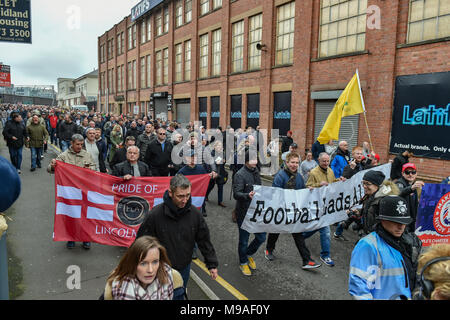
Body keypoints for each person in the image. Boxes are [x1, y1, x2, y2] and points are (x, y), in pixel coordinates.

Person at [136, 174, 218, 288]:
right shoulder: (155, 215)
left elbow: (204, 240)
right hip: (160, 270)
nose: (185, 200)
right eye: (180, 196)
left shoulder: (195, 215)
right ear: (170, 193)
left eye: (188, 195)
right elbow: (141, 243)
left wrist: (211, 264)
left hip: (184, 268)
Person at [348, 195, 422, 300]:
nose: (401, 226)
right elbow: (359, 287)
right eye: (395, 222)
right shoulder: (368, 245)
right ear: (382, 220)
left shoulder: (408, 243)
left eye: (404, 222)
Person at [265, 152, 321, 269]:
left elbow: (301, 191)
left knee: (298, 234)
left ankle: (307, 260)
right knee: (275, 231)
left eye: (296, 162)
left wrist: (308, 190)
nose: (294, 165)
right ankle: (269, 249)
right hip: (281, 210)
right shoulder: (280, 176)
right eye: (292, 162)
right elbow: (276, 194)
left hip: (294, 211)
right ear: (287, 162)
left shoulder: (300, 177)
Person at [48, 134, 96, 250]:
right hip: (69, 192)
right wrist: (53, 165)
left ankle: (85, 238)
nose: (80, 146)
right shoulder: (64, 155)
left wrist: (91, 169)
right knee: (71, 216)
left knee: (85, 215)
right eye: (77, 144)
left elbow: (95, 168)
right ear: (72, 143)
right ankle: (71, 238)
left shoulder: (87, 155)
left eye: (81, 144)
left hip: (84, 190)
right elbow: (50, 169)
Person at [105, 236, 180, 300]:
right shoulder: (123, 288)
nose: (150, 270)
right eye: (143, 263)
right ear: (132, 264)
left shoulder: (167, 273)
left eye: (155, 262)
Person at [334, 170, 400, 240]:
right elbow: (369, 215)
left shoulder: (384, 202)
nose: (364, 186)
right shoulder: (370, 196)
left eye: (368, 184)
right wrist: (358, 212)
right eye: (363, 183)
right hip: (368, 236)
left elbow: (379, 225)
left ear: (377, 185)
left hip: (377, 240)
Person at [305, 152, 343, 267]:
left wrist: (339, 180)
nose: (326, 163)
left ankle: (300, 236)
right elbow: (307, 187)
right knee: (325, 230)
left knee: (320, 227)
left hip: (327, 205)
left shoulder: (330, 171)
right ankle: (325, 255)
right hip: (316, 205)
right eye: (324, 161)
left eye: (328, 161)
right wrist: (318, 184)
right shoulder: (313, 172)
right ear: (319, 160)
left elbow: (332, 183)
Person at [232, 150, 266, 276]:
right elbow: (236, 194)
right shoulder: (240, 174)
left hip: (256, 211)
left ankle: (248, 254)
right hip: (243, 212)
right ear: (246, 161)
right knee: (244, 240)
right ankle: (243, 262)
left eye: (256, 159)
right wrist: (247, 195)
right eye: (252, 159)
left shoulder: (256, 171)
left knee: (261, 237)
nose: (255, 161)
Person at [395, 163, 424, 233]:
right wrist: (411, 188)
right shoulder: (399, 183)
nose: (410, 174)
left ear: (416, 174)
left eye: (413, 172)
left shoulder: (413, 184)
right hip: (402, 221)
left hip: (412, 221)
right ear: (402, 174)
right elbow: (399, 193)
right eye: (407, 172)